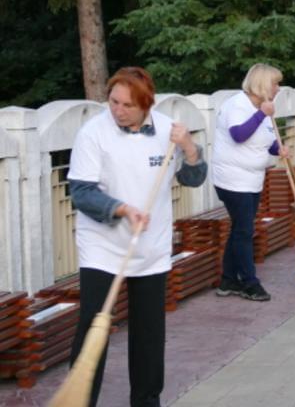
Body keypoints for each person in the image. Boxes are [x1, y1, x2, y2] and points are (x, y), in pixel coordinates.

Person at [68, 67, 207, 407]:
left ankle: (146, 401)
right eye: (113, 101)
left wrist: (189, 148)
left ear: (147, 104)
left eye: (127, 105)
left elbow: (194, 179)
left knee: (149, 332)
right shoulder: (93, 133)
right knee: (92, 326)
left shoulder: (165, 130)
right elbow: (81, 193)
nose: (117, 110)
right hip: (102, 245)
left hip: (151, 245)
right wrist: (122, 209)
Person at [211, 63, 289, 302]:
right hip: (233, 179)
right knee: (244, 231)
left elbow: (266, 138)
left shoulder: (261, 108)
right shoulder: (238, 105)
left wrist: (279, 148)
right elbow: (239, 135)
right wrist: (261, 114)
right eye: (275, 83)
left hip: (252, 178)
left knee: (240, 229)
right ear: (263, 84)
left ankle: (228, 280)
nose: (278, 88)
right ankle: (249, 282)